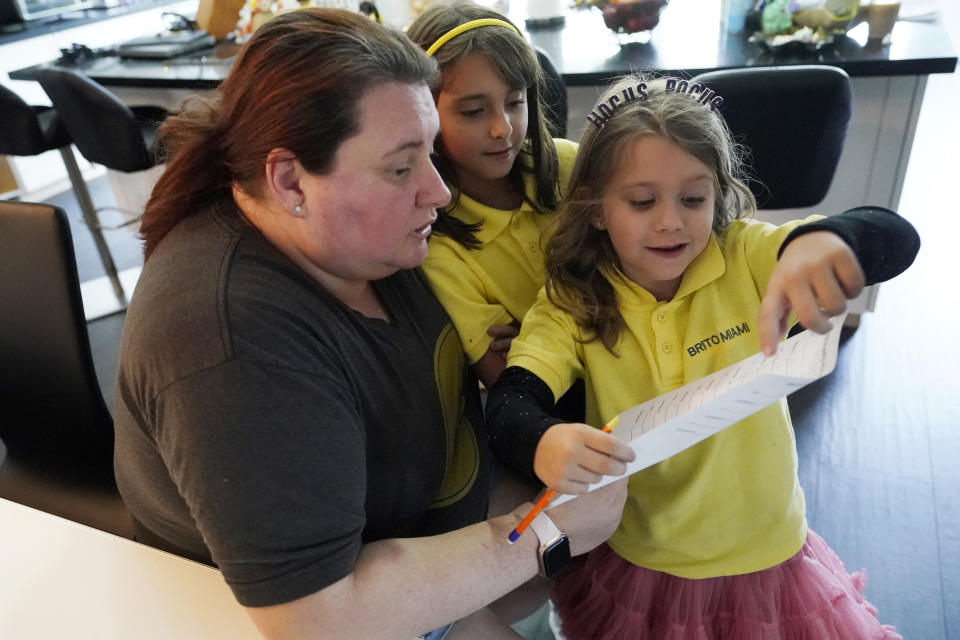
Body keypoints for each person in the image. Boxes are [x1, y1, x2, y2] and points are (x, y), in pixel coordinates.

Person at [112, 9, 627, 640]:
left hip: (421, 538)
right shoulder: (231, 343)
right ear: (290, 181)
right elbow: (318, 617)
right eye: (401, 166)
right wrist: (546, 531)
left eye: (430, 153)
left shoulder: (364, 236)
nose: (438, 192)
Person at [486, 73, 920, 639]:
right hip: (641, 556)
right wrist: (543, 440)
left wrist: (824, 242)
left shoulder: (745, 255)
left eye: (693, 198)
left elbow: (896, 236)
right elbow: (514, 398)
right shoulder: (573, 300)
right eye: (642, 201)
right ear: (594, 209)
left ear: (717, 193)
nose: (671, 220)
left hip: (765, 553)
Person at [406, 1, 579, 389]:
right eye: (472, 111)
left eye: (515, 102)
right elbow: (510, 381)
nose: (502, 128)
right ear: (421, 114)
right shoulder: (437, 242)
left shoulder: (573, 168)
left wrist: (534, 342)